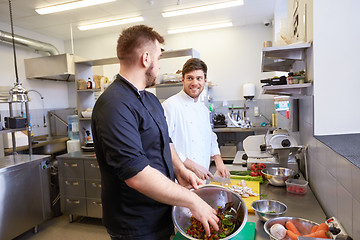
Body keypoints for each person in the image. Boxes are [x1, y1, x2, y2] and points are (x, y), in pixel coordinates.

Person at [91, 25, 219, 240]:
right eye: (159, 58)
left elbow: (165, 141)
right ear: (146, 58)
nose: (159, 66)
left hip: (161, 212)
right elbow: (136, 175)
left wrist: (180, 170)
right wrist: (192, 200)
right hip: (134, 222)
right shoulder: (114, 104)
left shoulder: (150, 99)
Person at [162, 58, 230, 180]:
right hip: (180, 178)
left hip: (202, 177)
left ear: (205, 80)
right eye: (190, 78)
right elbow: (164, 143)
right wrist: (192, 166)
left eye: (199, 78)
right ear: (182, 79)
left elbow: (210, 136)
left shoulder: (203, 109)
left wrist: (219, 161)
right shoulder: (170, 105)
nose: (194, 83)